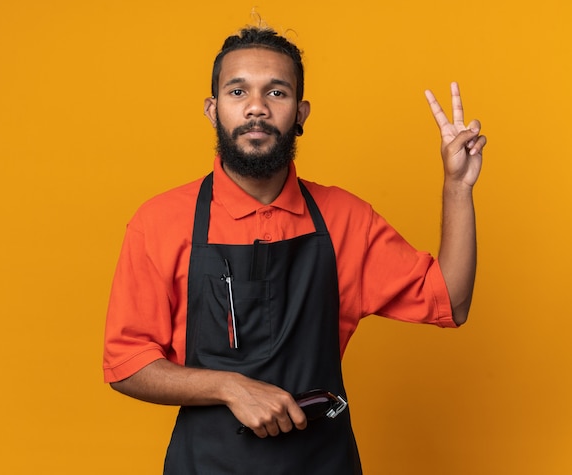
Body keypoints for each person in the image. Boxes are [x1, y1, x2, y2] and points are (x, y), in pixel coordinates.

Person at [103, 26, 486, 474]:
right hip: (205, 463)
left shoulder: (344, 218)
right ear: (213, 110)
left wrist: (457, 186)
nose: (256, 107)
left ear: (300, 112)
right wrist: (230, 387)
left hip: (322, 461)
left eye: (277, 92)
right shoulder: (160, 222)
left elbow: (451, 301)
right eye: (238, 90)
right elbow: (126, 363)